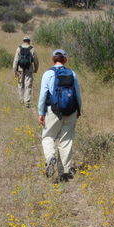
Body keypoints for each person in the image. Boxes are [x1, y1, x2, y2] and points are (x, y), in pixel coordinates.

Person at [38, 49, 82, 182]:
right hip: (71, 110)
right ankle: (65, 171)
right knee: (66, 140)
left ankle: (51, 157)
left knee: (48, 137)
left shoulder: (48, 74)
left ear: (53, 59)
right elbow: (77, 94)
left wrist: (41, 113)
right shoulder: (72, 74)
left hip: (53, 110)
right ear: (65, 60)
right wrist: (79, 109)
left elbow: (42, 96)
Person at [13, 35, 39, 108]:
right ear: (29, 41)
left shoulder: (19, 48)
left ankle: (21, 100)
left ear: (23, 41)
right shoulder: (32, 49)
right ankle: (27, 102)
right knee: (28, 85)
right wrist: (35, 69)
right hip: (29, 69)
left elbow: (15, 60)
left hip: (20, 69)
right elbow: (36, 61)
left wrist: (14, 70)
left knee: (20, 84)